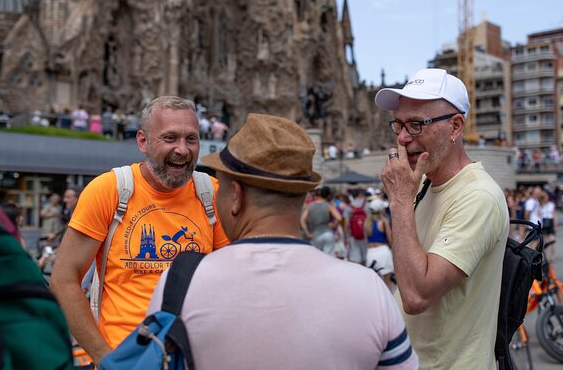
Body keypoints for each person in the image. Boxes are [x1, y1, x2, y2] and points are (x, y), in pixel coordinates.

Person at [147, 113, 418, 369]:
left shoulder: (180, 284)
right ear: (301, 195)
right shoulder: (368, 289)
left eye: (221, 187)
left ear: (236, 195)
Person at [50, 96, 229, 366]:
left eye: (191, 139)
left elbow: (228, 282)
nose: (182, 149)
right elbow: (64, 280)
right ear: (143, 141)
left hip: (192, 357)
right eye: (170, 138)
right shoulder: (109, 190)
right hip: (125, 356)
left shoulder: (212, 194)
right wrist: (105, 357)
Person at [376, 68, 508, 369]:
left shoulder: (478, 196)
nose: (403, 138)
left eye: (417, 125)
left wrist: (398, 199)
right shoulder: (422, 184)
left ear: (456, 127)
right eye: (398, 124)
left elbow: (417, 296)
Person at [300, 186, 342, 256]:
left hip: (315, 234)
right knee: (329, 258)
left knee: (317, 257)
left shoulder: (310, 206)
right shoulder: (329, 205)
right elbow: (339, 218)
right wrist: (334, 224)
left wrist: (307, 233)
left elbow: (302, 220)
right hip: (328, 233)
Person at [366, 198, 394, 290]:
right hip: (383, 251)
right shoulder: (384, 222)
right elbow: (390, 240)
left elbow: (366, 240)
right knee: (387, 281)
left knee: (374, 282)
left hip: (370, 253)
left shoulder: (367, 223)